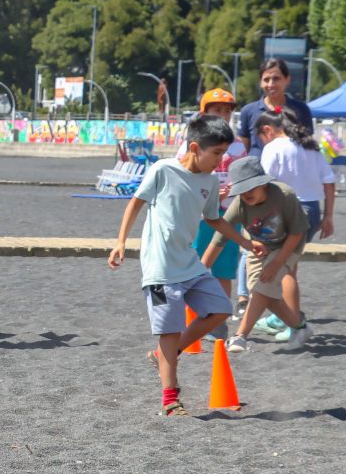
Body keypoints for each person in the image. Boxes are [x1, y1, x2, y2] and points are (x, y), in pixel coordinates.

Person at [108, 115, 262, 417]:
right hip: (160, 269)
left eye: (224, 154)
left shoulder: (209, 182)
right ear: (194, 148)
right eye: (216, 153)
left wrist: (245, 243)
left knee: (221, 309)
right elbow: (135, 203)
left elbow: (214, 219)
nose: (221, 161)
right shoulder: (163, 170)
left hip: (190, 264)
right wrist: (121, 242)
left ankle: (167, 354)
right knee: (169, 330)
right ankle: (170, 400)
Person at [201, 157, 312, 352]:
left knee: (264, 285)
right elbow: (219, 238)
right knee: (263, 292)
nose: (246, 194)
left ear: (264, 184)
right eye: (241, 190)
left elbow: (297, 233)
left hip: (288, 245)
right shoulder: (240, 204)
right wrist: (200, 271)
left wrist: (277, 263)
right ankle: (300, 327)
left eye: (251, 188)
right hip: (258, 246)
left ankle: (240, 336)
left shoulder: (284, 195)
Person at [253, 106, 335, 341]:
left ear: (267, 130)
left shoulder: (273, 148)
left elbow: (264, 184)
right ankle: (281, 318)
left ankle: (293, 323)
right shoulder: (311, 146)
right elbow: (329, 182)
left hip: (286, 210)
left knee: (285, 268)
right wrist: (328, 216)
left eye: (260, 137)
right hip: (312, 210)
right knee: (291, 265)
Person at [176, 89, 247, 340]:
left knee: (224, 270)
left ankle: (218, 322)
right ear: (203, 112)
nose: (223, 115)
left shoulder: (237, 145)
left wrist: (233, 188)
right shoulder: (190, 143)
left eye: (227, 111)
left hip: (228, 213)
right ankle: (192, 318)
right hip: (200, 214)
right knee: (195, 265)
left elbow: (244, 177)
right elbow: (182, 173)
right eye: (217, 110)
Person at [236, 58, 314, 159]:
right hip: (256, 168)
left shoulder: (301, 110)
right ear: (260, 82)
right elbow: (241, 151)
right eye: (266, 80)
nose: (271, 84)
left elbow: (307, 146)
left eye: (276, 79)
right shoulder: (248, 111)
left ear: (287, 79)